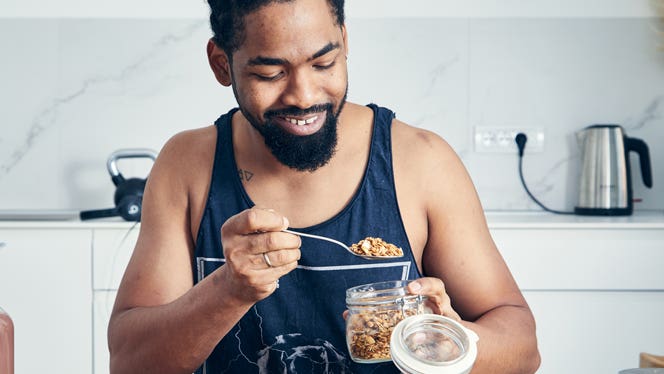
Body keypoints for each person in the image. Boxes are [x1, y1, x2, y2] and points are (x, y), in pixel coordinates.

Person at [107, 0, 541, 372]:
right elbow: (129, 362)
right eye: (270, 73)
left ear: (345, 43)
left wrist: (454, 343)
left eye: (323, 63)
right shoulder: (187, 166)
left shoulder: (421, 161)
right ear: (222, 64)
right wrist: (227, 291)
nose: (303, 94)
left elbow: (523, 347)